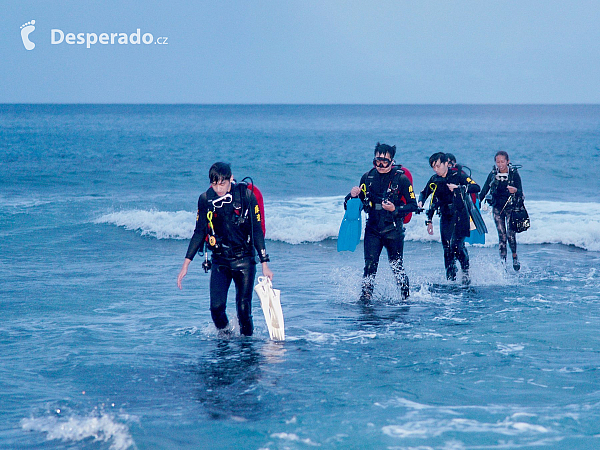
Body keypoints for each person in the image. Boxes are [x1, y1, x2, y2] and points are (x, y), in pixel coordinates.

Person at [177, 162, 273, 336]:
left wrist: (265, 262)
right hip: (220, 260)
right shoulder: (206, 199)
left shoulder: (246, 196)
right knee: (216, 309)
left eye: (222, 183)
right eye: (214, 184)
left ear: (231, 178)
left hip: (244, 259)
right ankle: (226, 338)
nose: (218, 189)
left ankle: (246, 348)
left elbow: (257, 230)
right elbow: (199, 232)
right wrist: (186, 264)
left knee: (244, 311)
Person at [346, 142, 418, 301]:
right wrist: (352, 195)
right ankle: (365, 298)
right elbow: (350, 204)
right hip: (372, 229)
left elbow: (413, 206)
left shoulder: (401, 179)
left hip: (393, 230)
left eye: (385, 160)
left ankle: (406, 298)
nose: (380, 164)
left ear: (392, 160)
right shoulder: (367, 177)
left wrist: (395, 209)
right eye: (377, 160)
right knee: (370, 266)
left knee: (396, 266)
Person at [418, 152, 480, 283]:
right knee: (447, 248)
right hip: (445, 216)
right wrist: (421, 203)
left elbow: (476, 187)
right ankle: (450, 278)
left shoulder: (458, 175)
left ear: (446, 163)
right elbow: (425, 193)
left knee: (457, 246)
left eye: (438, 166)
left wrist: (459, 188)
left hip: (460, 215)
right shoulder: (434, 179)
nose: (436, 170)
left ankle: (465, 273)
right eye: (433, 167)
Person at [479, 151, 523, 271]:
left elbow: (520, 192)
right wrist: (476, 202)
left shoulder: (514, 174)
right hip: (497, 208)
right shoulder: (493, 174)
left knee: (510, 235)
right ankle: (503, 263)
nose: (500, 164)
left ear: (507, 161)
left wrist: (515, 190)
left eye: (502, 161)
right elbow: (484, 190)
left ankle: (514, 256)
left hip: (511, 207)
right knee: (501, 236)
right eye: (498, 162)